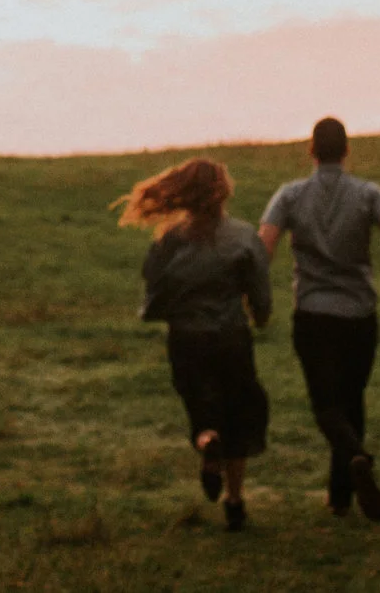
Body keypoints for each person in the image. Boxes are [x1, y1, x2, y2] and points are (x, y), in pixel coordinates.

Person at [257, 117, 380, 522]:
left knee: (326, 406)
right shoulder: (369, 193)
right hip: (359, 315)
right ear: (347, 151)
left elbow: (264, 245)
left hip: (313, 314)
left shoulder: (290, 195)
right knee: (352, 399)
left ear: (310, 151)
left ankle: (355, 463)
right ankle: (341, 497)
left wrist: (255, 297)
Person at [117, 157, 272, 531]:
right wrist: (260, 315)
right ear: (224, 191)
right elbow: (260, 291)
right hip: (232, 337)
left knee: (202, 408)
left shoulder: (170, 240)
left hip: (186, 339)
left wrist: (160, 312)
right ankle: (235, 503)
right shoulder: (243, 235)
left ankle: (206, 442)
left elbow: (154, 290)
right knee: (239, 413)